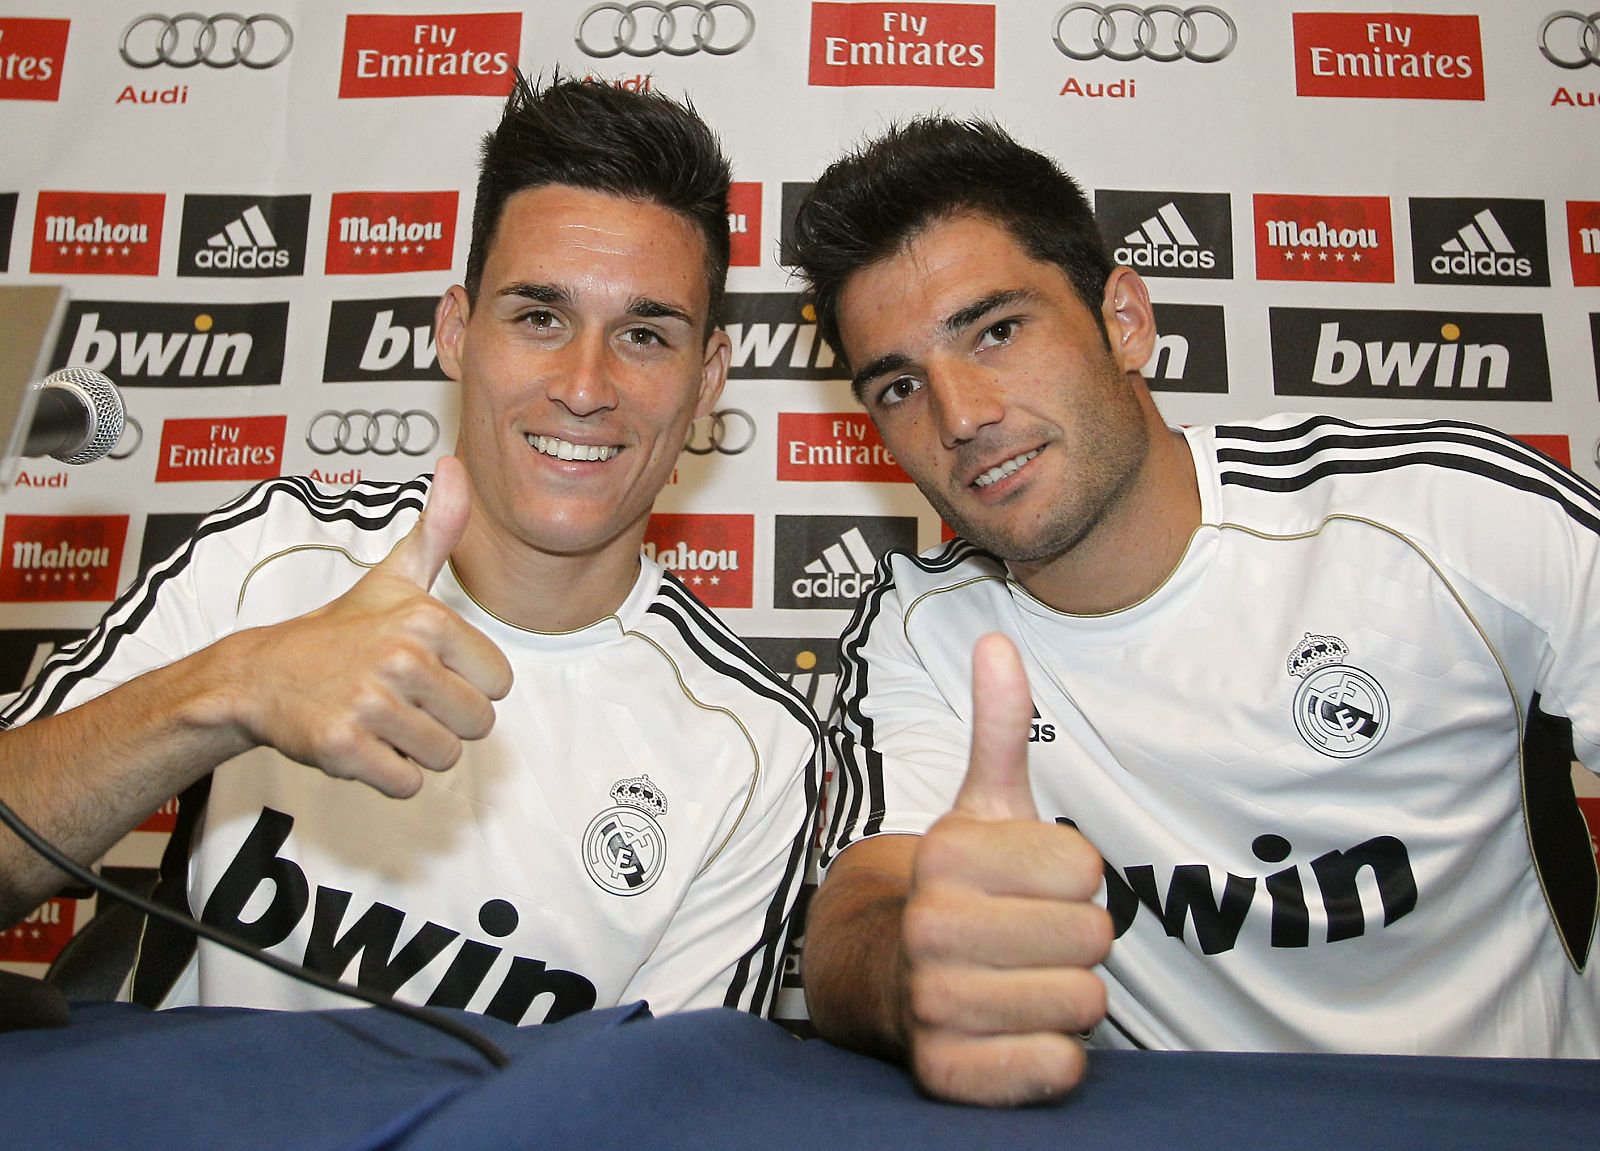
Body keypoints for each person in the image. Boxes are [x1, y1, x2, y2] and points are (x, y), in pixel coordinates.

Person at [786, 116, 1600, 1105]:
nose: (959, 416)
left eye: (996, 330)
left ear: (1123, 318)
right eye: (900, 385)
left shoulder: (1447, 514)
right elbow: (860, 913)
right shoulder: (920, 628)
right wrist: (918, 968)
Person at [0, 75, 820, 1024]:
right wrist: (232, 687)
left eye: (643, 333)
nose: (585, 386)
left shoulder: (752, 748)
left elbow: (652, 1113)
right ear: (455, 332)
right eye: (539, 317)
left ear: (707, 376)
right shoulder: (275, 553)